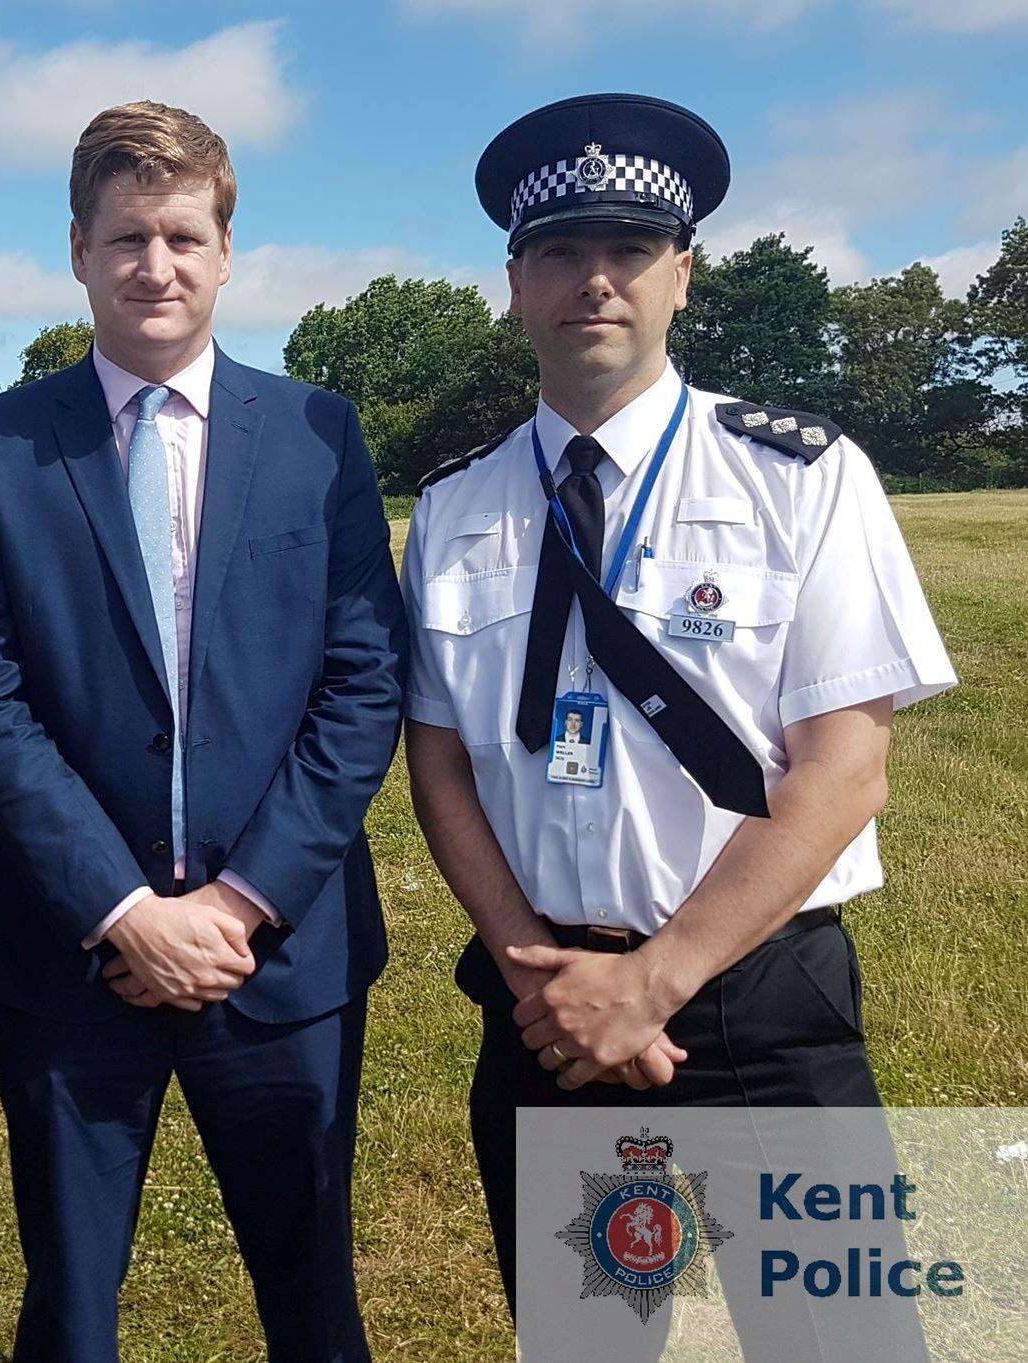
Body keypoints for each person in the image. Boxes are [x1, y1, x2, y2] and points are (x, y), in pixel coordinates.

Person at [400, 93, 956, 1333]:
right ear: (513, 281)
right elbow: (437, 767)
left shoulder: (803, 477)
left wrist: (657, 981)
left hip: (759, 1010)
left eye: (630, 249)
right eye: (560, 251)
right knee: (591, 1340)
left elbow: (845, 771)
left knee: (842, 1342)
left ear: (683, 276)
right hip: (546, 1008)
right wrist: (535, 973)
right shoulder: (453, 509)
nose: (594, 280)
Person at [0, 101, 406, 1362]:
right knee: (73, 1311)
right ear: (79, 250)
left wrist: (242, 902)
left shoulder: (318, 435)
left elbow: (362, 683)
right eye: (128, 236)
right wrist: (125, 909)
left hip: (283, 955)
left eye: (185, 237)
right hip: (75, 954)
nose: (158, 266)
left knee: (313, 1295)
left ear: (228, 252)